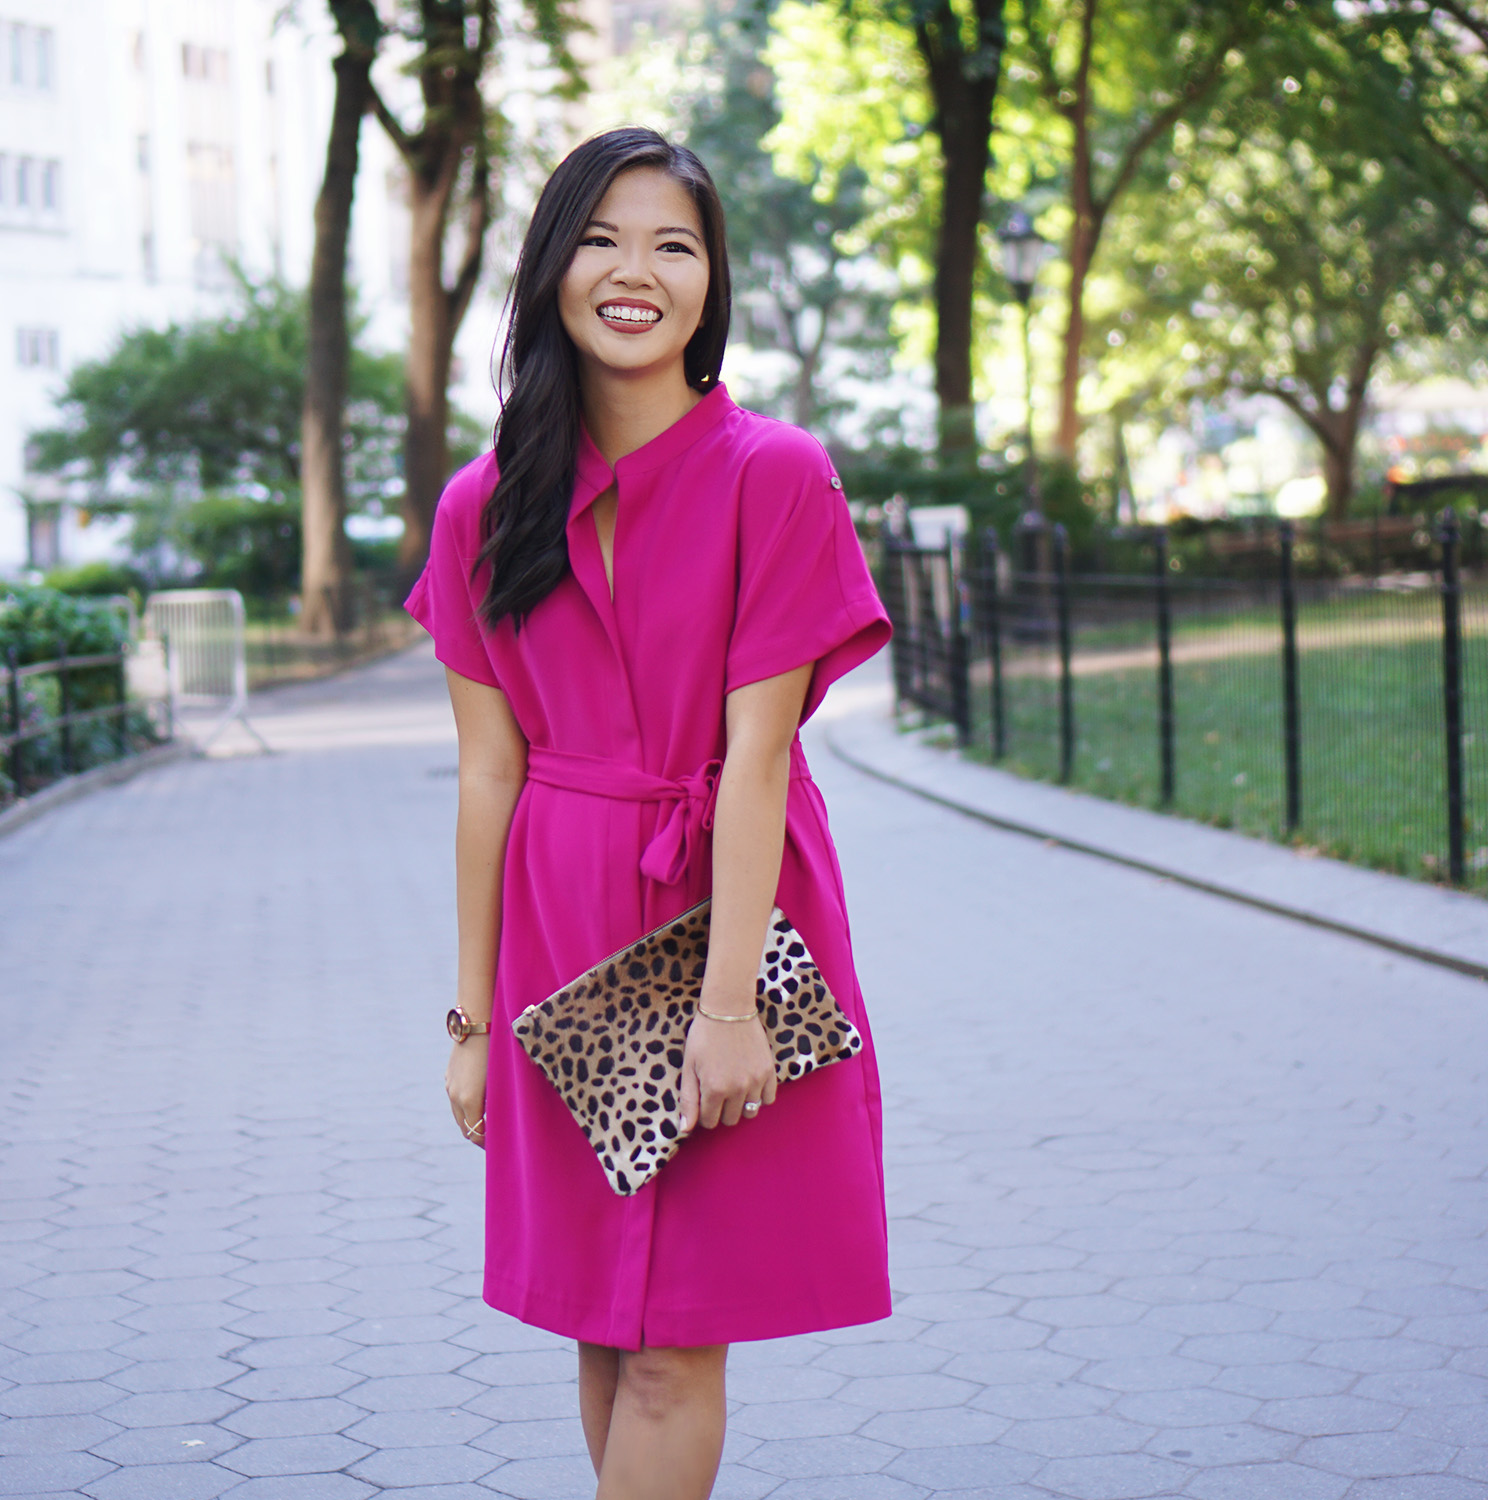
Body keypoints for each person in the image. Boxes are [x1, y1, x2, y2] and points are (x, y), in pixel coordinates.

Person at [405, 125, 892, 1500]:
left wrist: (728, 1006)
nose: (636, 272)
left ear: (710, 283)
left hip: (721, 913)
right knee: (608, 1328)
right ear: (551, 269)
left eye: (673, 246)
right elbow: (487, 775)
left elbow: (758, 758)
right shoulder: (483, 506)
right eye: (602, 240)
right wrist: (470, 1024)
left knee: (677, 1341)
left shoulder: (774, 473)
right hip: (561, 925)